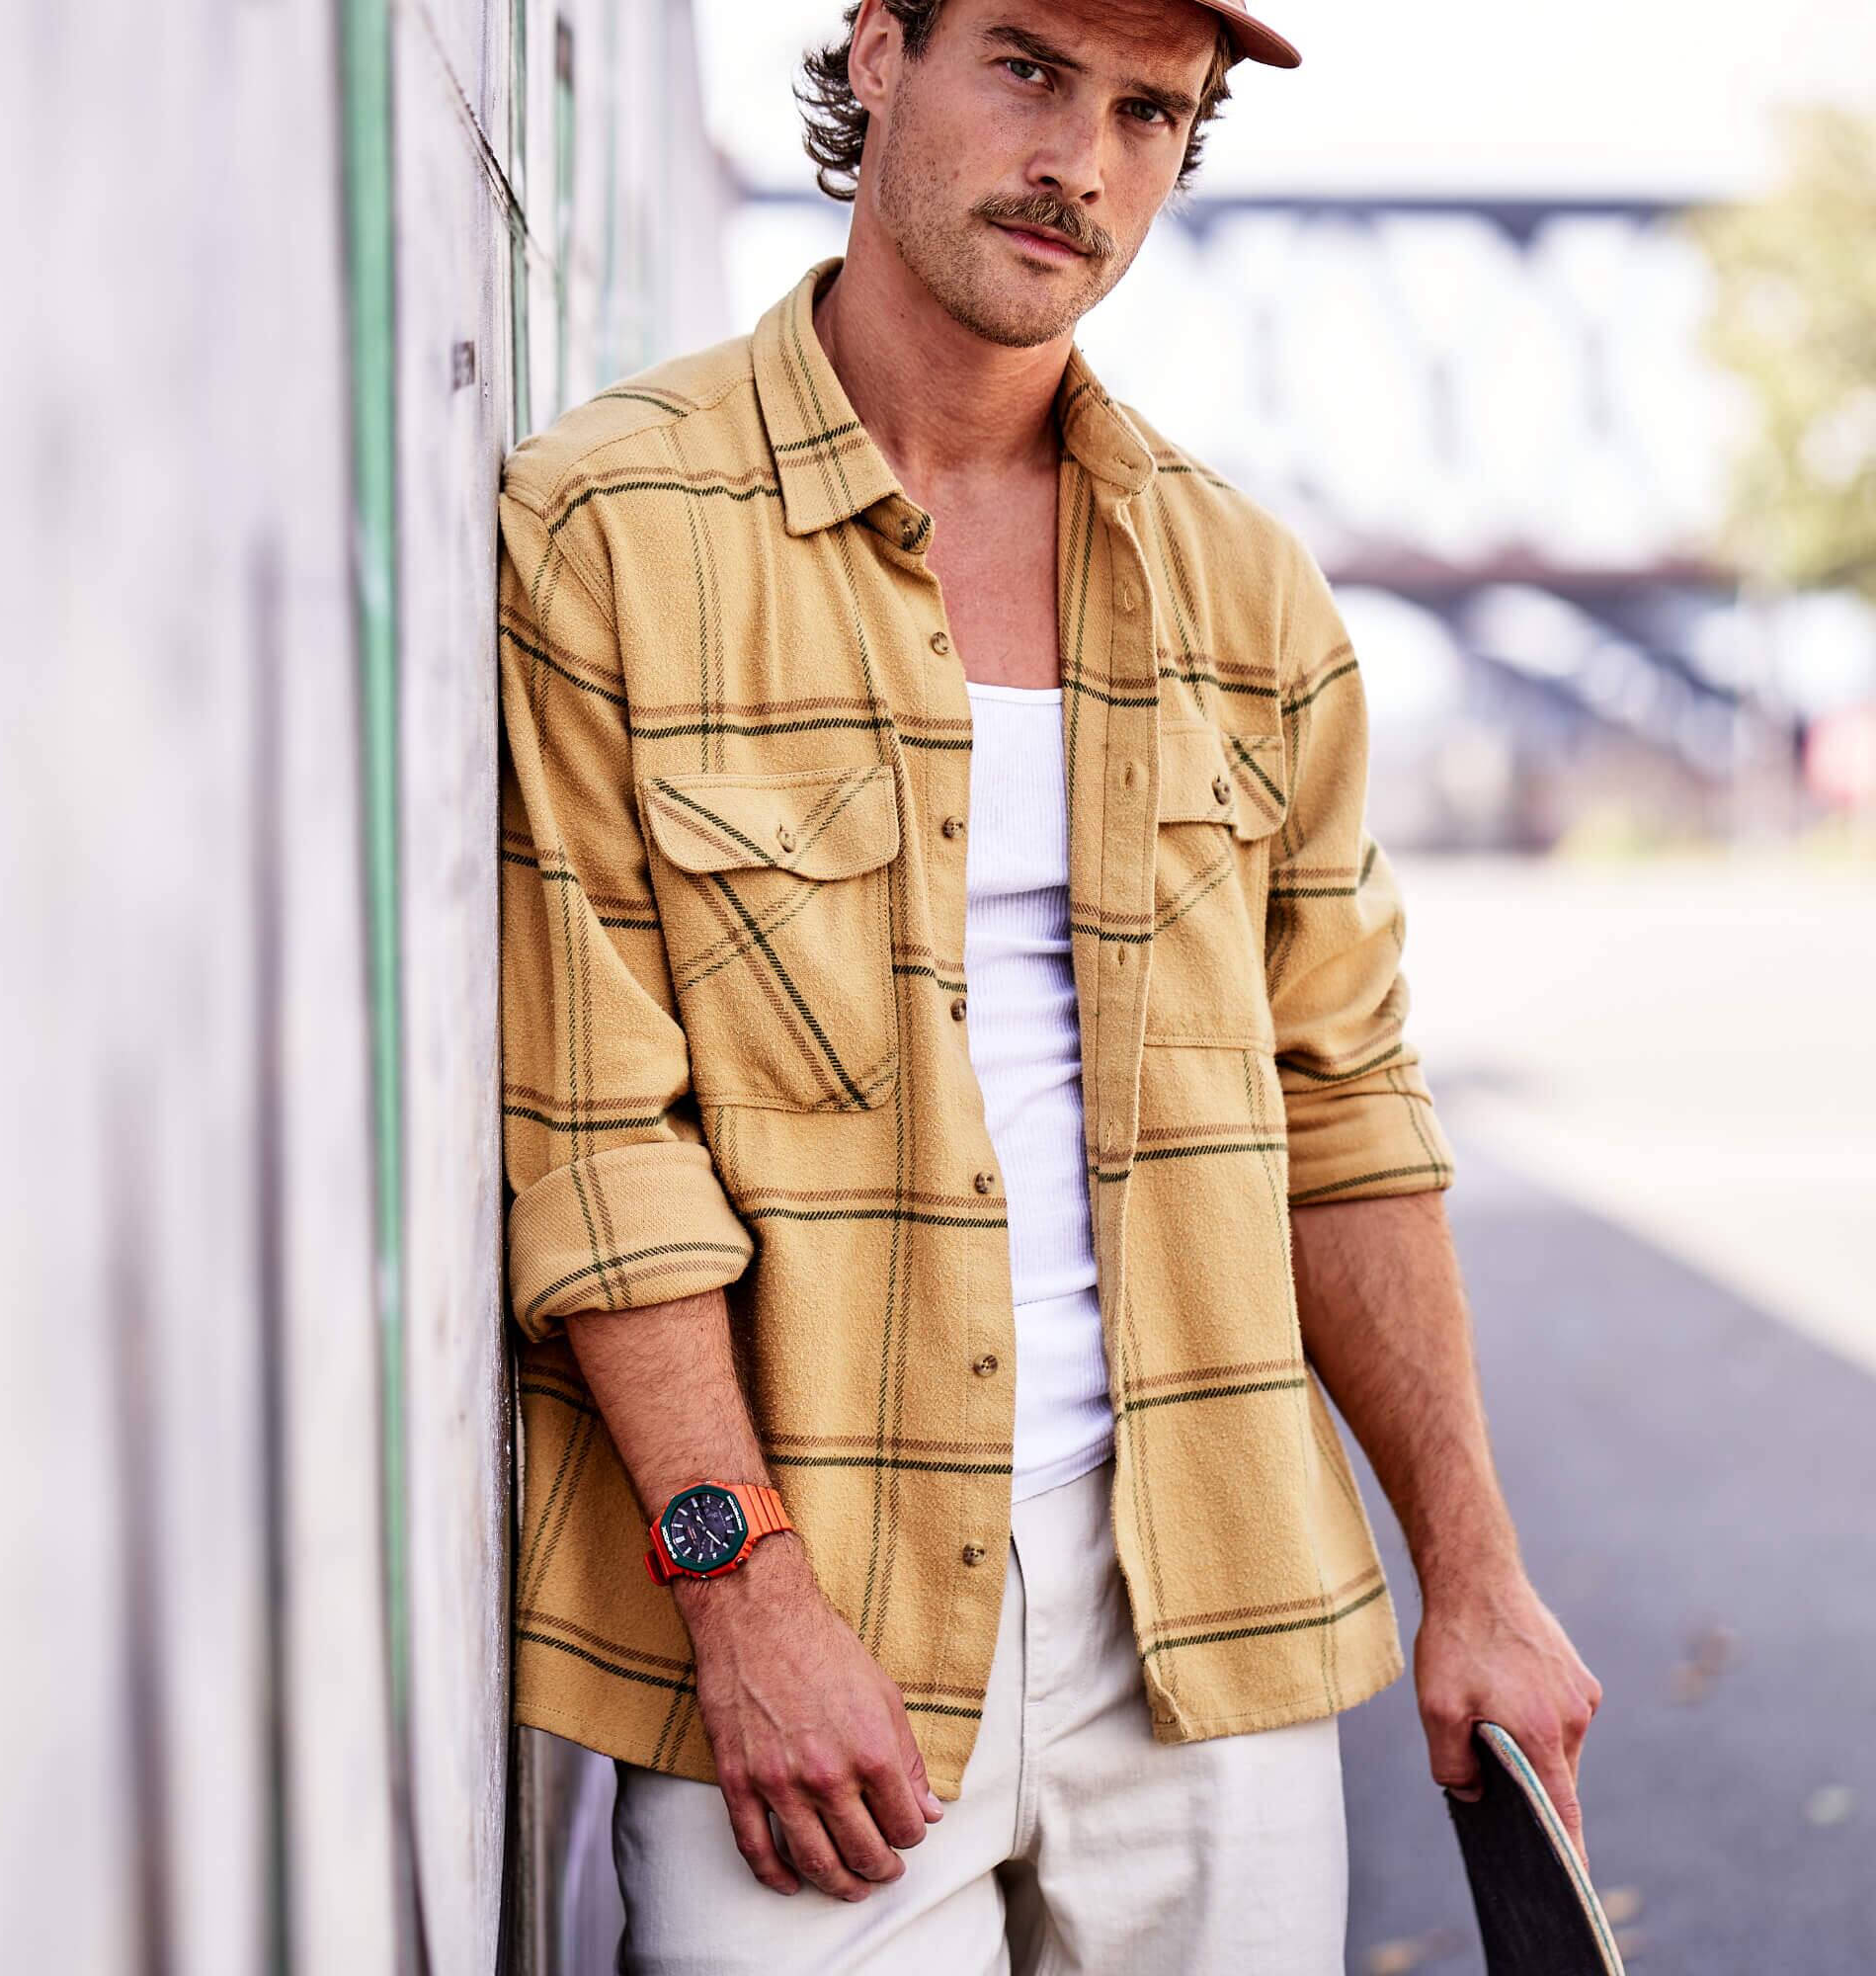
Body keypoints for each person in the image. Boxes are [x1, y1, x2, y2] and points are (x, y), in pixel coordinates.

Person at [496, 1, 1603, 1967]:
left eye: (1147, 112)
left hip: (1206, 1608)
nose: (1079, 164)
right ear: (874, 49)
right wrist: (740, 1596)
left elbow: (1343, 1115)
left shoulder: (1245, 597)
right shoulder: (610, 531)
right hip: (808, 1615)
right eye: (1026, 66)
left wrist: (1480, 1572)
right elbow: (595, 1143)